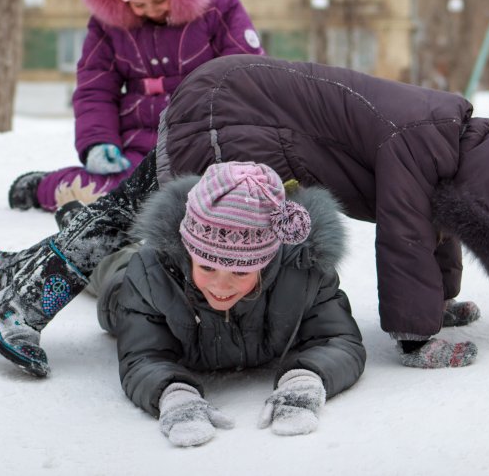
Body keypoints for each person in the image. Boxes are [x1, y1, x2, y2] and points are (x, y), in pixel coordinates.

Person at [0, 55, 489, 378]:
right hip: (231, 114)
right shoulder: (422, 137)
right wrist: (416, 338)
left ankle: (13, 281)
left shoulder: (443, 143)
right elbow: (407, 235)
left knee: (127, 207)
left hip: (232, 99)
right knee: (159, 225)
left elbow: (431, 226)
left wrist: (439, 304)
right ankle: (24, 297)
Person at [8, 0, 264, 213]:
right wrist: (98, 142)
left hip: (207, 140)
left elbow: (248, 76)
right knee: (126, 193)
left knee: (228, 197)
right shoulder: (109, 25)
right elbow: (95, 87)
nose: (151, 11)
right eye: (138, 5)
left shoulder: (219, 7)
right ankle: (46, 187)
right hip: (139, 147)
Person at [85, 161, 363, 446]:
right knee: (106, 267)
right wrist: (173, 394)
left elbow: (339, 339)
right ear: (189, 253)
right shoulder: (151, 275)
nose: (221, 285)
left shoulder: (305, 273)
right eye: (207, 267)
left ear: (266, 262)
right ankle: (76, 215)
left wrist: (307, 378)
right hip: (124, 287)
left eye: (241, 271)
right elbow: (143, 356)